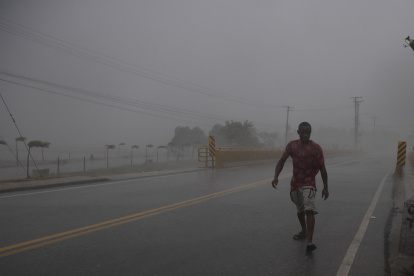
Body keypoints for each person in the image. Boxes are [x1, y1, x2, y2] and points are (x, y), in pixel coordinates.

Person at [271, 122, 329, 252]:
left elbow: (323, 169)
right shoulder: (292, 145)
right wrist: (276, 176)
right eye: (302, 132)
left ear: (310, 132)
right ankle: (304, 231)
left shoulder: (316, 148)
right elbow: (282, 161)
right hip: (295, 183)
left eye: (308, 132)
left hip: (309, 183)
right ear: (298, 132)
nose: (305, 135)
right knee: (300, 210)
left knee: (310, 209)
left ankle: (310, 242)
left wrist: (325, 187)